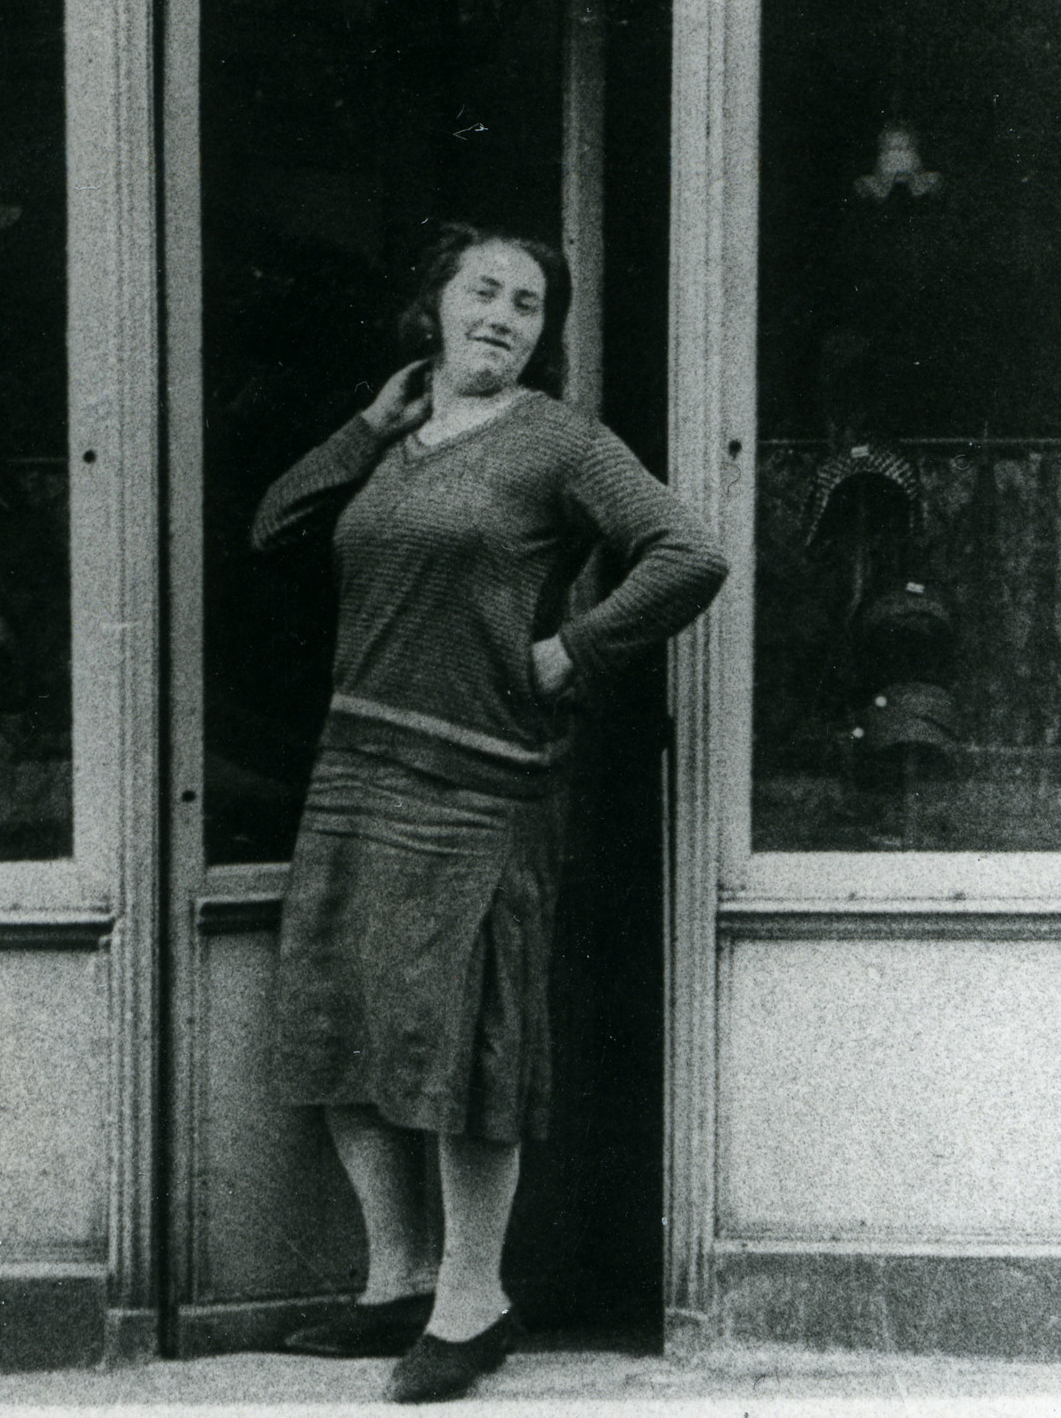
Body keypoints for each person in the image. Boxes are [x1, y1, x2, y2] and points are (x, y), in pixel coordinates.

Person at [251, 222, 728, 1402]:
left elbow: (687, 552)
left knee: (467, 1048)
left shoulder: (559, 440)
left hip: (483, 781)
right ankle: (396, 1281)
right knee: (338, 1026)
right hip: (356, 759)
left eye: (527, 302)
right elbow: (273, 526)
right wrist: (368, 424)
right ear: (436, 305)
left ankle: (475, 1302)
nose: (504, 315)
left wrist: (574, 649)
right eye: (483, 290)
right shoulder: (396, 439)